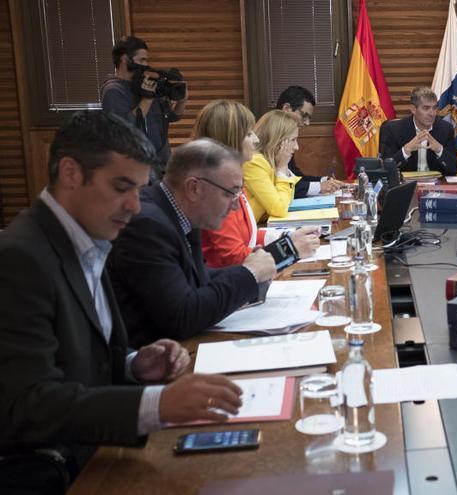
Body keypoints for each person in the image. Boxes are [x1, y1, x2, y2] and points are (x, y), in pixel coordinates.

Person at [0, 112, 242, 491]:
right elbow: (29, 405)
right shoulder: (21, 257)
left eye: (139, 188)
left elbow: (79, 360)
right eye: (121, 187)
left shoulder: (86, 239)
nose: (134, 204)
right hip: (57, 469)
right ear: (71, 173)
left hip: (101, 445)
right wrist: (155, 405)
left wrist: (132, 363)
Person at [108, 138, 277, 347]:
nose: (236, 205)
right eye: (230, 193)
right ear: (194, 188)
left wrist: (249, 272)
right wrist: (248, 274)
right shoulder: (147, 225)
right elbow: (183, 316)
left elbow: (196, 278)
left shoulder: (181, 214)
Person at [192, 101, 319, 268]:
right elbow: (234, 258)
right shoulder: (215, 190)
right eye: (249, 134)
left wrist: (289, 236)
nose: (256, 139)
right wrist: (290, 248)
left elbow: (249, 236)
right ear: (231, 140)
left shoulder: (228, 179)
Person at [100, 36, 188, 178]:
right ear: (124, 59)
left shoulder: (141, 84)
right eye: (141, 60)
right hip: (138, 170)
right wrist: (147, 99)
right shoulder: (113, 91)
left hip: (162, 166)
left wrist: (182, 101)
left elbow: (169, 117)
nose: (146, 65)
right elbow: (122, 130)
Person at [276, 85, 346, 197]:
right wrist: (319, 187)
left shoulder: (285, 137)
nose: (307, 123)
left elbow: (296, 177)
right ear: (286, 109)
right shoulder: (270, 140)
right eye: (304, 116)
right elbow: (278, 184)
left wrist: (323, 180)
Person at [379, 87, 457, 176]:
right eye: (426, 108)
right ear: (413, 109)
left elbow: (454, 169)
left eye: (434, 108)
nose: (432, 113)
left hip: (436, 187)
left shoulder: (445, 129)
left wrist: (439, 149)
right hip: (407, 187)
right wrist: (406, 150)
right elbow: (385, 170)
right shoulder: (394, 130)